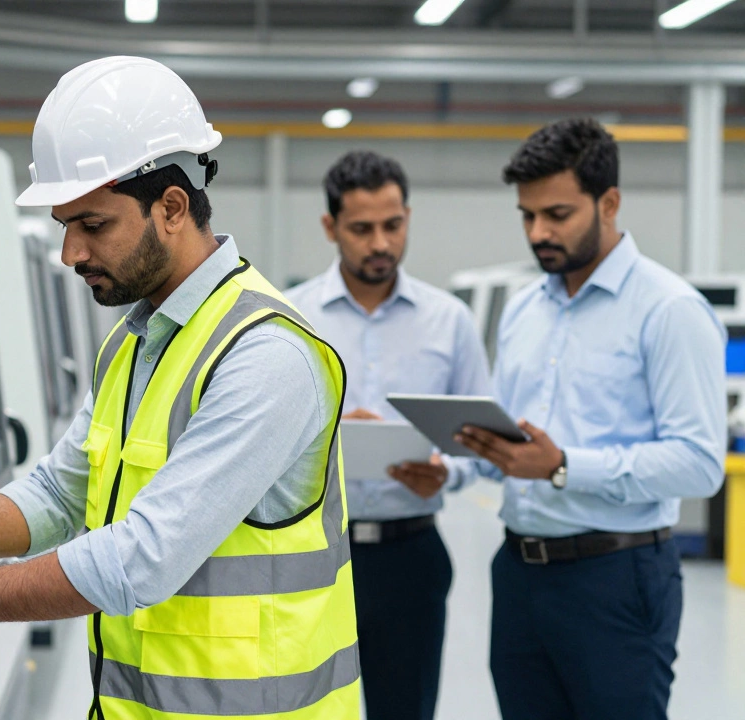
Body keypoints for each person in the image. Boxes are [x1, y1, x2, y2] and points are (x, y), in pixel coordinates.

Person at [0, 56, 362, 719]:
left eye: (93, 224)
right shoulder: (137, 341)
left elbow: (140, 559)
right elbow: (57, 495)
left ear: (171, 207)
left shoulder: (265, 355)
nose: (70, 252)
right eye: (64, 225)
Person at [455, 118, 726, 720]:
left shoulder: (669, 310)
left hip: (617, 578)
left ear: (610, 203)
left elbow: (701, 462)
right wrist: (454, 459)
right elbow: (517, 451)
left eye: (557, 214)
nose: (538, 232)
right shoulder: (525, 310)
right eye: (527, 216)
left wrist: (564, 466)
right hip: (520, 574)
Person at [286, 150, 490, 720]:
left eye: (393, 225)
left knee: (406, 709)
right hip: (315, 555)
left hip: (412, 556)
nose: (381, 243)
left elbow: (480, 446)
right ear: (331, 228)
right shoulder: (290, 318)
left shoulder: (449, 322)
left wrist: (445, 471)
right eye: (362, 229)